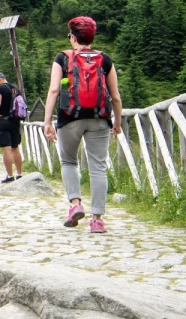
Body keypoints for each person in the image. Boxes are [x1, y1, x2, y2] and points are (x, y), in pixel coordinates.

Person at [42, 16, 122, 233]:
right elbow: (115, 96)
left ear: (72, 38)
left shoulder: (63, 58)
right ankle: (97, 220)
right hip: (99, 118)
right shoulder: (105, 60)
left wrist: (47, 121)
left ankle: (76, 204)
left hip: (69, 118)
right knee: (98, 167)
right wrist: (118, 122)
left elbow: (54, 91)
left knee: (68, 161)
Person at [0, 72, 24, 183]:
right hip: (15, 121)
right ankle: (20, 174)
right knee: (15, 147)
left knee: (6, 148)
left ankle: (10, 175)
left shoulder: (0, 88)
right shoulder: (15, 88)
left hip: (3, 119)